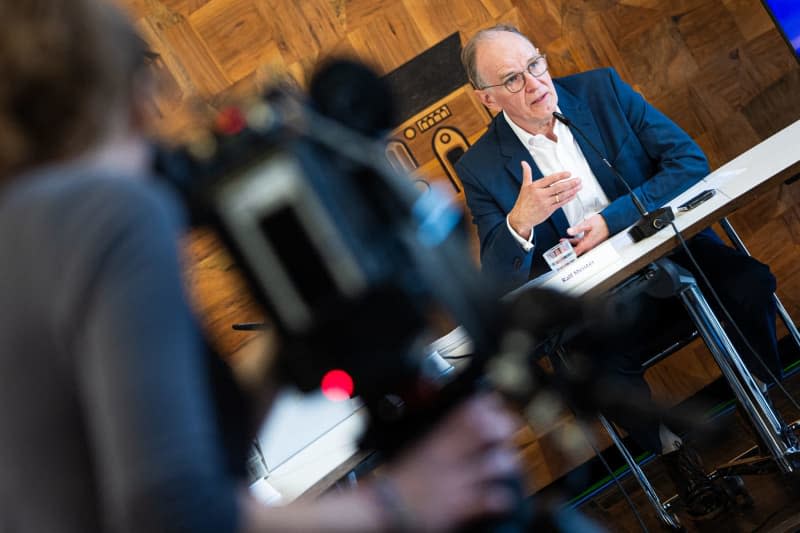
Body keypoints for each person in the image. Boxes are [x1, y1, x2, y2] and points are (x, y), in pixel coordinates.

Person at [0, 2, 521, 532]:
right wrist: (399, 503)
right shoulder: (108, 213)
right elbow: (174, 513)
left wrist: (294, 337)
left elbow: (157, 463)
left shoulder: (25, 234)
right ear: (131, 91)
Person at [455, 24, 783, 520]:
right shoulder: (481, 166)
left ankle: (764, 404)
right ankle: (676, 456)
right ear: (488, 99)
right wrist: (519, 221)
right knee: (591, 370)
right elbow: (500, 284)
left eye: (535, 65)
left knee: (751, 283)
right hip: (595, 308)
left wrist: (612, 221)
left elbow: (687, 161)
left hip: (674, 261)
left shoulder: (601, 91)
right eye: (513, 80)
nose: (536, 83)